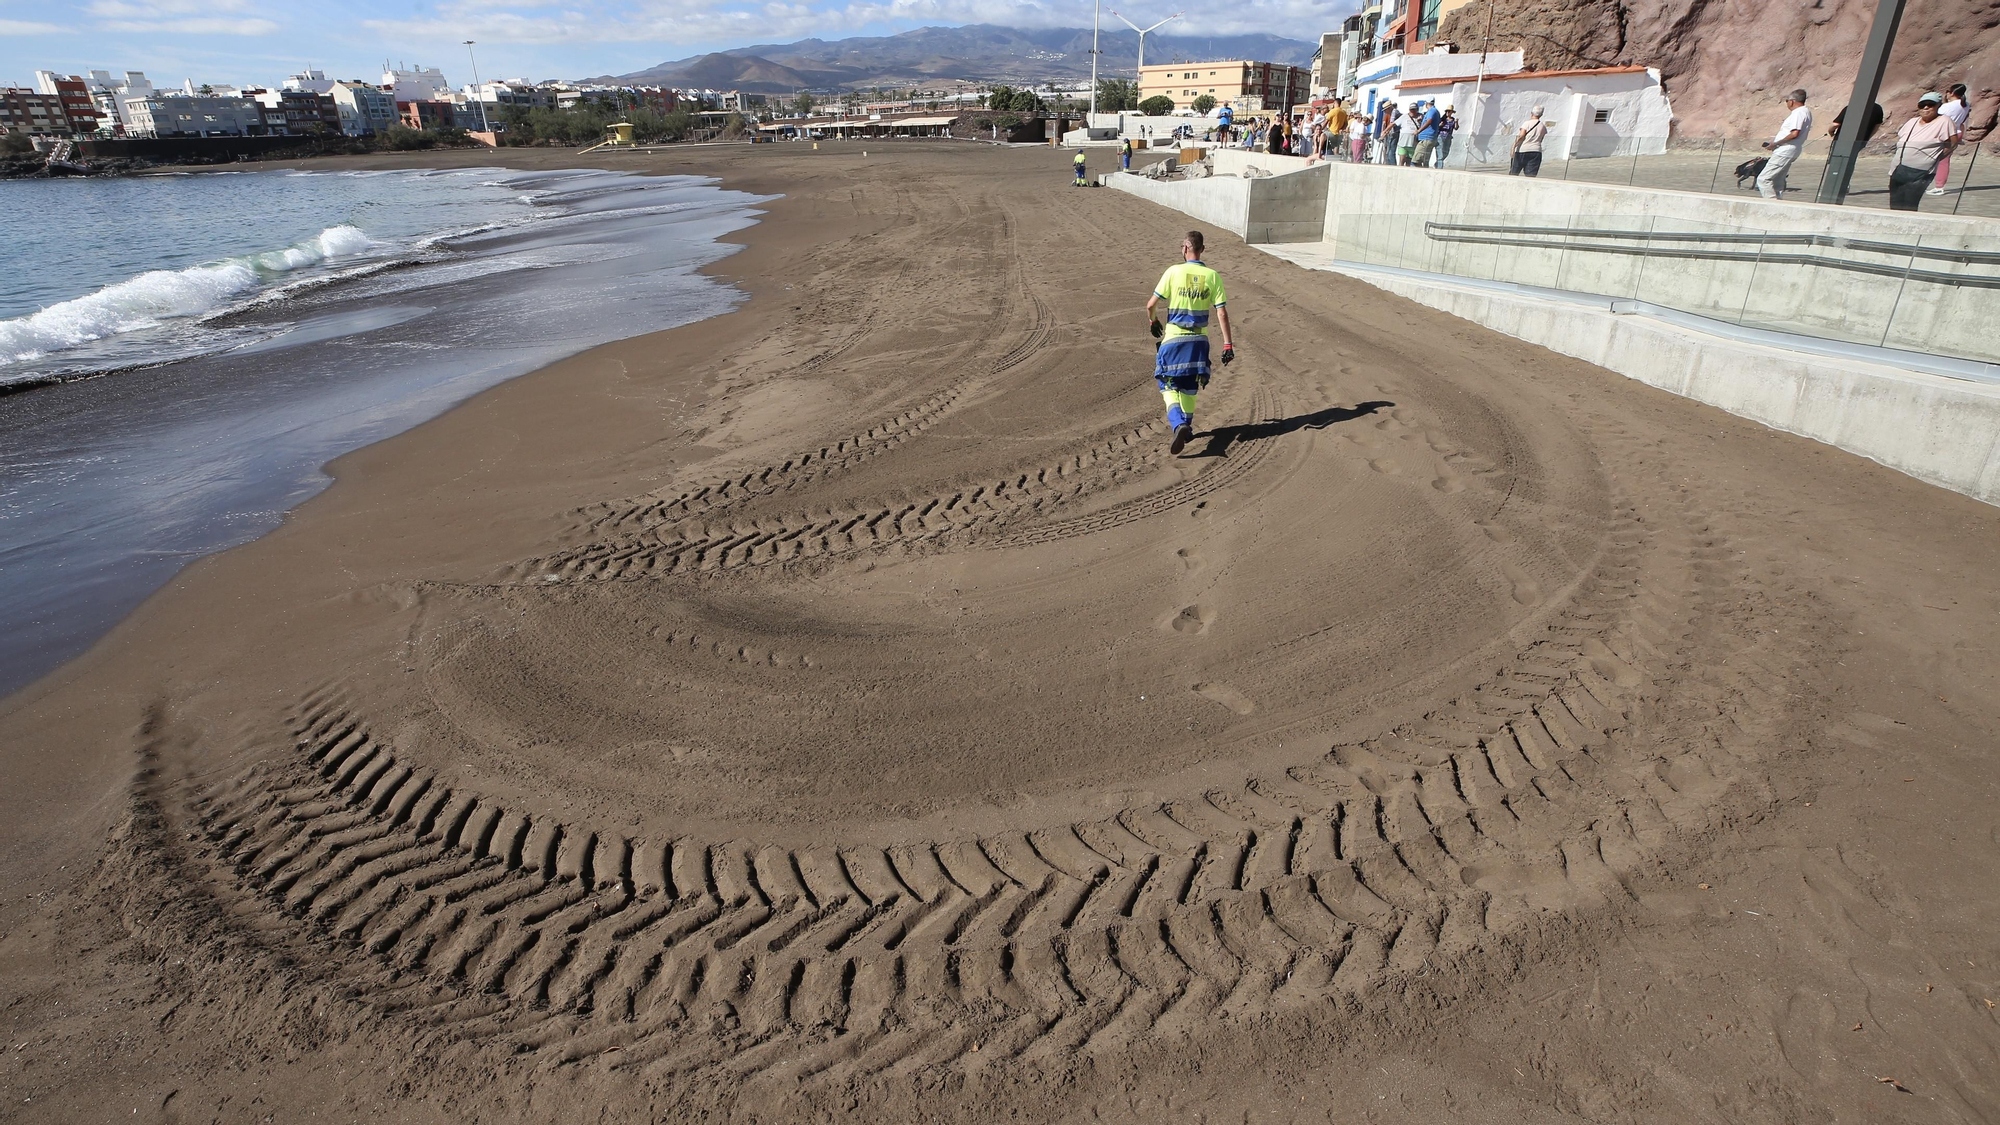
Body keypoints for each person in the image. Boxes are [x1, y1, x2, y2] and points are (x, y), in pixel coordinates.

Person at [1146, 230, 1235, 455]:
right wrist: (1227, 345)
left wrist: (1153, 320)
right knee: (1189, 386)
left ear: (1185, 248)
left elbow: (1150, 304)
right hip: (1198, 342)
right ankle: (1188, 427)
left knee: (1166, 383)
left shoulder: (1173, 272)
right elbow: (1222, 313)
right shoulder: (1213, 276)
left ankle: (1179, 424)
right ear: (1202, 249)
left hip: (1174, 339)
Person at [1889, 92, 1961, 210]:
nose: (1926, 107)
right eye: (1922, 105)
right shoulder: (1912, 121)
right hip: (1899, 168)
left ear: (1938, 105)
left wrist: (1936, 158)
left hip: (1921, 172)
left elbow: (1952, 143)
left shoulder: (1944, 121)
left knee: (1909, 205)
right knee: (1895, 205)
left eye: (1930, 104)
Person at [1757, 88, 1812, 199]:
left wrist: (1776, 143)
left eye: (1786, 101)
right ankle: (1779, 203)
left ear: (1792, 101)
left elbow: (1794, 133)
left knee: (1763, 179)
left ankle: (1771, 205)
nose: (1787, 103)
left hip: (1785, 150)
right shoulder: (1805, 112)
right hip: (1791, 150)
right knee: (1777, 181)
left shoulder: (1798, 113)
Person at [1933, 83, 1971, 195]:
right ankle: (1939, 185)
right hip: (1957, 133)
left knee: (1940, 161)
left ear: (1952, 93)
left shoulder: (1946, 107)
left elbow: (1937, 121)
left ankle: (1938, 187)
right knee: (1944, 161)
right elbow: (1963, 122)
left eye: (1948, 92)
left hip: (1946, 135)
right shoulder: (1966, 104)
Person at [1510, 106, 1549, 176]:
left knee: (1514, 173)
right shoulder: (1543, 126)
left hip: (1522, 150)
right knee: (1530, 175)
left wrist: (1513, 146)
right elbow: (1541, 139)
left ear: (1531, 113)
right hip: (1536, 151)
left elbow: (1521, 136)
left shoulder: (1527, 123)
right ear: (1541, 115)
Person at [1411, 99, 1443, 168]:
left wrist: (1418, 131)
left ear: (1426, 103)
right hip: (1428, 138)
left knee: (1415, 161)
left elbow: (1429, 121)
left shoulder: (1432, 111)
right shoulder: (1434, 111)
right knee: (1424, 161)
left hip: (1426, 138)